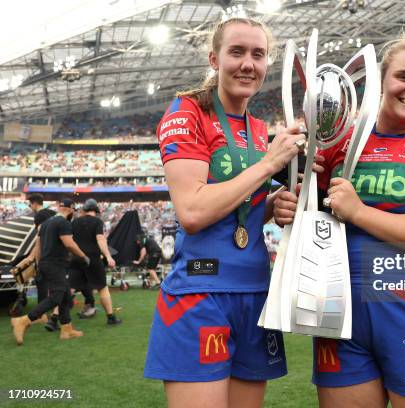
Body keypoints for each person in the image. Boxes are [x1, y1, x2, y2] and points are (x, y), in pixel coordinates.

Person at [274, 33, 405, 407]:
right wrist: (286, 207)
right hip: (340, 319)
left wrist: (360, 212)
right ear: (381, 82)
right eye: (404, 77)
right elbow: (311, 213)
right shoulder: (335, 142)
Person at [143, 17, 305, 408]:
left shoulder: (256, 126)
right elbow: (193, 211)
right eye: (237, 52)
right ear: (215, 59)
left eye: (258, 54)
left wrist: (271, 206)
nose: (248, 63)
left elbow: (238, 212)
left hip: (254, 291)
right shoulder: (187, 112)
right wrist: (269, 165)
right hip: (202, 294)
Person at [11, 198, 89, 345]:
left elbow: (38, 246)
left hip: (46, 264)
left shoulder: (46, 223)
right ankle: (23, 321)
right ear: (71, 209)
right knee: (56, 297)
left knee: (65, 296)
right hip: (56, 265)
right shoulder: (64, 223)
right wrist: (83, 256)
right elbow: (69, 243)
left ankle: (67, 329)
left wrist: (38, 264)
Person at [70, 199, 122, 324]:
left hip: (76, 258)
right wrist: (108, 256)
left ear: (85, 210)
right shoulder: (97, 222)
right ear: (95, 211)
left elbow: (70, 241)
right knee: (103, 289)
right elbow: (101, 240)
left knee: (70, 289)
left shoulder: (74, 222)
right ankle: (111, 318)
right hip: (93, 258)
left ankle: (55, 318)